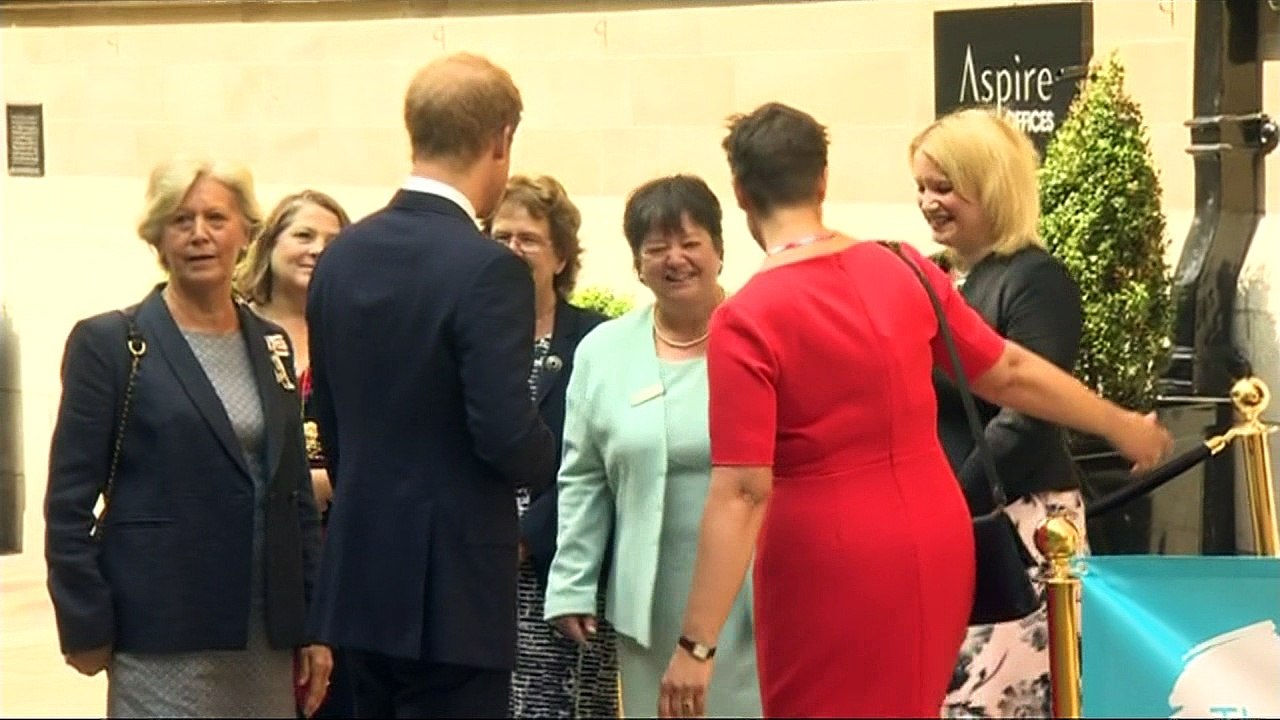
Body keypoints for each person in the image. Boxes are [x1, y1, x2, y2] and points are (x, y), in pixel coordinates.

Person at [656, 102, 1173, 718]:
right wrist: (1117, 423)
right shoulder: (904, 267)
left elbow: (742, 491)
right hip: (935, 534)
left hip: (828, 555)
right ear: (822, 179)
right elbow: (1008, 371)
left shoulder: (746, 319)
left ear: (740, 191)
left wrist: (697, 643)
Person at [304, 53, 556, 718]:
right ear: (501, 140)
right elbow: (503, 432)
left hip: (359, 574)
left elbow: (328, 419)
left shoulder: (341, 255)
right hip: (455, 592)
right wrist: (554, 455)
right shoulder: (488, 270)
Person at [45, 157, 331, 718]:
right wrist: (84, 619)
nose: (200, 234)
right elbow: (67, 504)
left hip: (265, 641)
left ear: (246, 232)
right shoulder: (111, 343)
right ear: (157, 235)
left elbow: (295, 495)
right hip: (160, 634)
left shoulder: (272, 343)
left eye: (216, 218)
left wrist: (315, 623)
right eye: (181, 220)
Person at [547, 175, 762, 718]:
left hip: (755, 598)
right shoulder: (604, 351)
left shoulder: (763, 335)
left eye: (690, 243)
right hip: (647, 602)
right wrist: (572, 581)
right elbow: (583, 475)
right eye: (656, 248)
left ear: (719, 250)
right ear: (637, 263)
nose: (676, 259)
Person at [910, 108, 1088, 718]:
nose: (929, 203)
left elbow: (1028, 414)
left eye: (944, 187)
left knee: (999, 702)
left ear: (990, 187)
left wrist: (944, 501)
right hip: (945, 522)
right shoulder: (928, 278)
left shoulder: (1036, 280)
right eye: (922, 188)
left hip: (1021, 526)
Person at [484, 174, 619, 718]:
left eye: (529, 238)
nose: (513, 249)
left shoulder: (598, 340)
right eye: (501, 237)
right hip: (478, 564)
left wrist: (527, 537)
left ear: (561, 256)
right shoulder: (470, 334)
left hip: (564, 560)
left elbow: (605, 459)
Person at [236, 189, 353, 719]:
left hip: (339, 559)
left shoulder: (355, 334)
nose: (317, 249)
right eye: (303, 235)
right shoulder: (230, 330)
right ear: (270, 243)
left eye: (332, 240)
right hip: (254, 553)